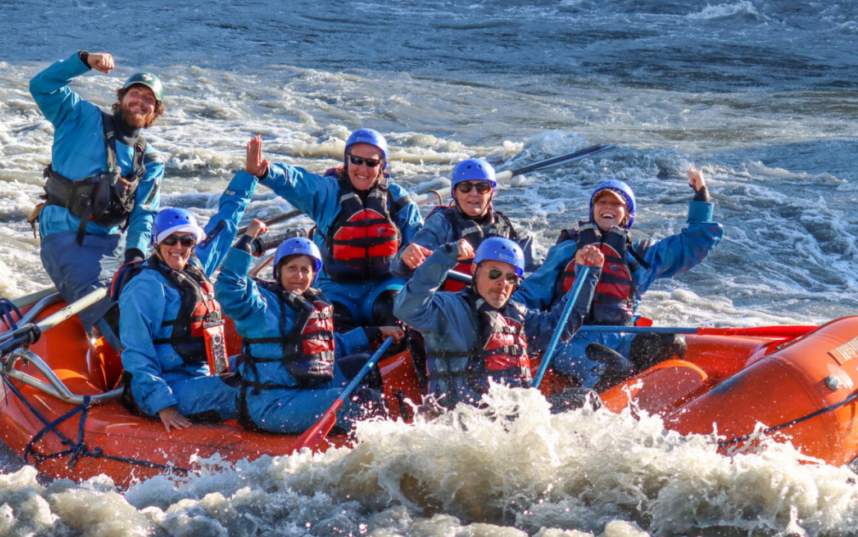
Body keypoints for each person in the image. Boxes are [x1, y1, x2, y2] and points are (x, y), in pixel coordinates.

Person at [514, 170, 723, 388]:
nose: (608, 207)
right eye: (602, 202)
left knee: (673, 343)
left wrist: (701, 195)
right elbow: (530, 293)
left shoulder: (640, 255)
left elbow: (692, 244)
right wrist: (505, 317)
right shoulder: (567, 251)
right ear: (593, 210)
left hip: (624, 336)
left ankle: (646, 396)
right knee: (613, 369)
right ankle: (590, 397)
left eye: (616, 204)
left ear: (628, 214)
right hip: (570, 341)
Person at [29, 51, 166, 350]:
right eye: (135, 93)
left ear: (154, 111)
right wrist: (83, 61)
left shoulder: (150, 160)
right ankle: (137, 364)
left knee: (152, 301)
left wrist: (135, 257)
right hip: (66, 236)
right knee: (119, 318)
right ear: (121, 96)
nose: (140, 101)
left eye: (149, 99)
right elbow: (41, 86)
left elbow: (144, 213)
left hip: (113, 244)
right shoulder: (80, 117)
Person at [215, 223, 403, 434]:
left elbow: (328, 347)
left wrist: (375, 331)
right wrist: (247, 240)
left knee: (363, 364)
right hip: (274, 403)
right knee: (365, 400)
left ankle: (368, 427)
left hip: (306, 387)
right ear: (278, 271)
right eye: (292, 268)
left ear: (314, 275)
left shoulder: (310, 303)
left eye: (305, 270)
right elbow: (230, 287)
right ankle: (374, 436)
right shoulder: (260, 305)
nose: (299, 275)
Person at [117, 165, 259, 432]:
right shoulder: (145, 287)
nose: (179, 247)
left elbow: (224, 225)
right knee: (252, 387)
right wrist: (164, 404)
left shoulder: (194, 266)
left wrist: (249, 176)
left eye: (186, 240)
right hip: (164, 388)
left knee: (266, 366)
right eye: (170, 240)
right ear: (156, 243)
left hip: (201, 373)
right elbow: (137, 352)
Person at [394, 236, 604, 409]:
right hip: (464, 420)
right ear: (475, 271)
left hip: (514, 419)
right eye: (494, 273)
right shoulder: (447, 309)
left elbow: (563, 325)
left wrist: (588, 274)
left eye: (510, 277)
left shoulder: (518, 315)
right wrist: (445, 255)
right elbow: (406, 308)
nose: (502, 283)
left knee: (586, 400)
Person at [246, 130, 423, 330]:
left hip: (385, 285)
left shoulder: (396, 197)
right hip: (335, 290)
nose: (362, 169)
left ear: (382, 165)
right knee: (329, 332)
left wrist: (412, 249)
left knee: (401, 319)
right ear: (347, 160)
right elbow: (297, 181)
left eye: (371, 163)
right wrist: (265, 172)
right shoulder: (328, 192)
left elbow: (421, 239)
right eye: (357, 160)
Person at [390, 158, 543, 291]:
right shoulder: (441, 224)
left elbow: (537, 281)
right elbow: (399, 270)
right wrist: (405, 258)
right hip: (449, 305)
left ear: (492, 192)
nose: (474, 193)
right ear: (455, 193)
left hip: (496, 305)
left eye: (482, 187)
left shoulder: (513, 233)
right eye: (465, 187)